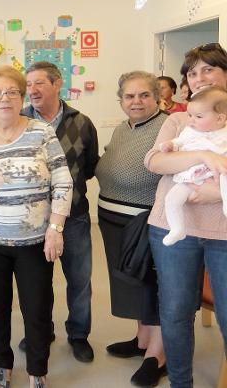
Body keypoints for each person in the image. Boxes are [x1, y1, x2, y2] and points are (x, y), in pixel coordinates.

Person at [0, 65, 73, 388]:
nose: (3, 98)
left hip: (35, 241)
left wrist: (56, 228)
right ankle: (2, 366)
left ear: (21, 97)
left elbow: (63, 179)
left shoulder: (41, 132)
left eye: (11, 92)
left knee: (36, 309)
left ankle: (37, 371)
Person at [145, 42, 227, 387]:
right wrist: (205, 159)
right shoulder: (179, 119)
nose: (199, 77)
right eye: (192, 72)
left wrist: (211, 192)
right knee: (176, 313)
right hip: (172, 227)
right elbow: (155, 161)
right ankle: (181, 382)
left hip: (223, 233)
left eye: (208, 68)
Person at [21, 61, 99, 363]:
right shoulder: (20, 120)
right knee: (36, 283)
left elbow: (90, 166)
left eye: (39, 82)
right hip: (34, 218)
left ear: (57, 84)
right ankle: (41, 332)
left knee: (79, 280)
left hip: (75, 217)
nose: (33, 90)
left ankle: (79, 335)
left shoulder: (82, 122)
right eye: (29, 85)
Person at [95, 71, 168, 387]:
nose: (136, 101)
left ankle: (159, 354)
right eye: (129, 96)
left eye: (143, 95)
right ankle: (142, 340)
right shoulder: (124, 129)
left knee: (155, 285)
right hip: (114, 219)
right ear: (121, 100)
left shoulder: (168, 125)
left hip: (147, 221)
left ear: (157, 97)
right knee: (134, 284)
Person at [159, 87, 227, 245]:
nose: (191, 120)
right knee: (172, 199)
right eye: (190, 115)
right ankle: (177, 229)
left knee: (224, 177)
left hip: (219, 173)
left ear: (220, 118)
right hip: (192, 176)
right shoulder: (190, 131)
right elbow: (178, 143)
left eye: (198, 116)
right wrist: (170, 145)